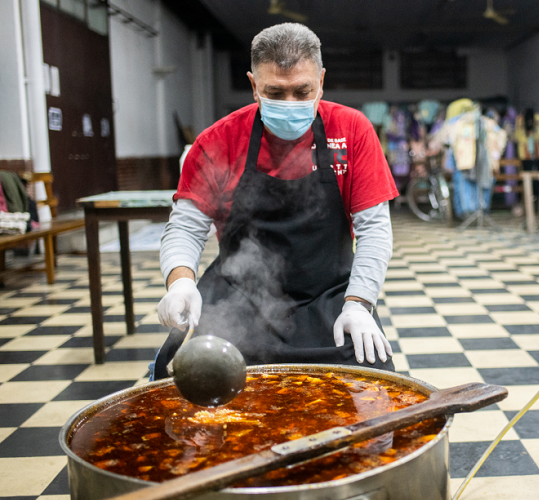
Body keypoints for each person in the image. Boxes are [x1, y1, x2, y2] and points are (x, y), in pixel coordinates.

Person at [151, 23, 397, 380]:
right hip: (239, 301)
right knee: (203, 391)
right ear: (253, 86)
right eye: (275, 93)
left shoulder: (352, 130)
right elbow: (186, 228)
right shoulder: (219, 140)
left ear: (322, 81)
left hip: (331, 299)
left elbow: (374, 229)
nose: (290, 104)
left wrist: (359, 304)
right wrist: (180, 282)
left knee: (372, 390)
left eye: (302, 91)